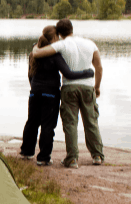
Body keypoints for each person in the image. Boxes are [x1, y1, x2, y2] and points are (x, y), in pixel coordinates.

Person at [31, 19, 104, 168]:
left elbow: (38, 54)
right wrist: (97, 87)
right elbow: (99, 67)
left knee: (70, 123)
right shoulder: (90, 44)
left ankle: (72, 158)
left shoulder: (61, 44)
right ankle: (97, 155)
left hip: (69, 88)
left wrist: (34, 49)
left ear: (59, 33)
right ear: (72, 29)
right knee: (91, 121)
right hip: (87, 87)